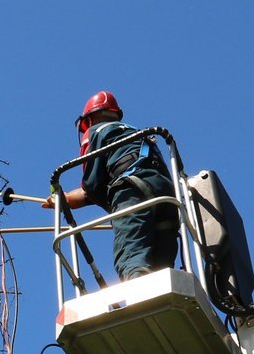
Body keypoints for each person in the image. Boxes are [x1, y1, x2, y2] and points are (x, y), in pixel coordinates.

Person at [47, 90, 179, 280]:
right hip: (165, 193)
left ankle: (138, 292)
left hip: (131, 191)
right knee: (162, 262)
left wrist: (83, 199)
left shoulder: (95, 131)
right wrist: (69, 199)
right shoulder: (135, 133)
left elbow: (92, 184)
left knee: (132, 253)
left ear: (90, 119)